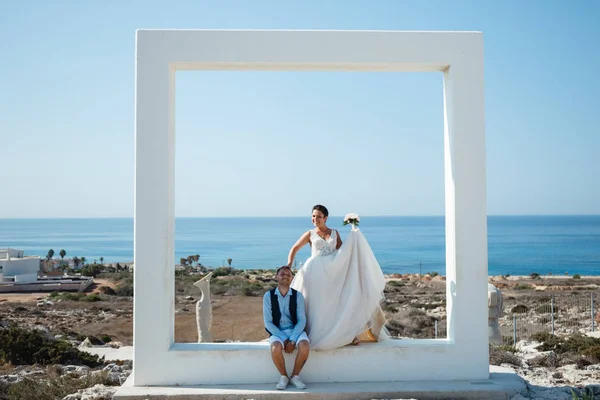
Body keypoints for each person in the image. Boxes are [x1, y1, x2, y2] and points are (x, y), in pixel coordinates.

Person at [288, 204, 387, 350]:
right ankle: (311, 334)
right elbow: (294, 248)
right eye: (313, 216)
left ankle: (342, 334)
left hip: (333, 271)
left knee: (335, 301)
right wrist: (289, 265)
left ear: (325, 218)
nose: (315, 219)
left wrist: (354, 235)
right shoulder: (309, 234)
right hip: (314, 272)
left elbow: (344, 251)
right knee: (317, 304)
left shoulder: (334, 232)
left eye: (319, 216)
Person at [263, 265, 310, 390]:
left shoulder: (298, 296)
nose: (285, 276)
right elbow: (268, 322)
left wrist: (293, 340)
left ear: (292, 278)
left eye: (288, 274)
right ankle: (284, 376)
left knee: (304, 345)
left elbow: (301, 320)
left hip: (295, 330)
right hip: (278, 332)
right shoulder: (268, 296)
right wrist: (284, 339)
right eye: (282, 274)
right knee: (275, 348)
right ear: (276, 277)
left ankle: (295, 376)